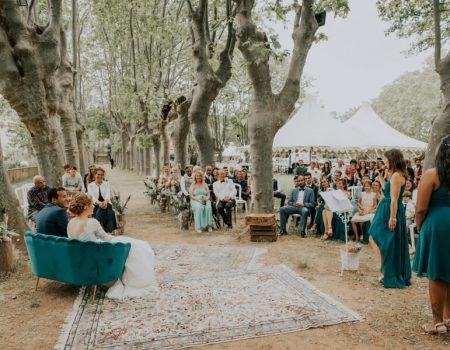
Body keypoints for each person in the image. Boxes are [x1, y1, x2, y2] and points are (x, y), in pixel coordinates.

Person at [67, 192, 158, 299]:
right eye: (92, 204)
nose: (94, 206)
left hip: (79, 262)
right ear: (86, 206)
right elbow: (107, 239)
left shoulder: (70, 222)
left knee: (128, 243)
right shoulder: (91, 222)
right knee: (132, 246)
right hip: (94, 264)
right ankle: (137, 279)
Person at [412, 136, 450, 334]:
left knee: (436, 273)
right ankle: (449, 318)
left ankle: (437, 323)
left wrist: (420, 227)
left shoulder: (432, 174)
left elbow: (420, 209)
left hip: (438, 225)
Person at [369, 149, 411, 288]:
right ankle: (386, 269)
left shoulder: (396, 176)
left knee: (375, 236)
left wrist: (392, 218)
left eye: (386, 159)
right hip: (387, 208)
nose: (384, 161)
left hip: (389, 210)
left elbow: (394, 198)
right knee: (388, 241)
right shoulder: (395, 174)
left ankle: (385, 269)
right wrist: (381, 178)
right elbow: (388, 190)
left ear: (392, 160)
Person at [87, 167, 117, 233]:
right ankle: (106, 230)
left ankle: (105, 230)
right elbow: (92, 197)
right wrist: (99, 203)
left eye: (101, 175)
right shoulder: (90, 185)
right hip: (95, 204)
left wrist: (105, 201)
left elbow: (108, 194)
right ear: (95, 175)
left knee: (109, 211)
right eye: (98, 174)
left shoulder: (106, 183)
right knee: (100, 211)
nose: (100, 176)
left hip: (106, 203)